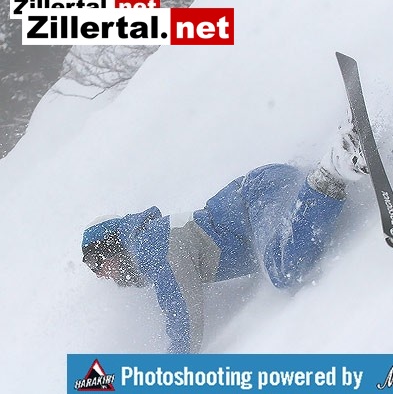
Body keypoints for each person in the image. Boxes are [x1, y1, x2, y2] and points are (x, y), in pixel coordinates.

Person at [81, 116, 368, 353]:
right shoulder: (151, 245)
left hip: (254, 196)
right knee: (285, 256)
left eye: (96, 262)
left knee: (283, 267)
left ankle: (333, 169)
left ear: (112, 245)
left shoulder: (150, 247)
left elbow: (183, 313)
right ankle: (346, 154)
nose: (100, 274)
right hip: (261, 192)